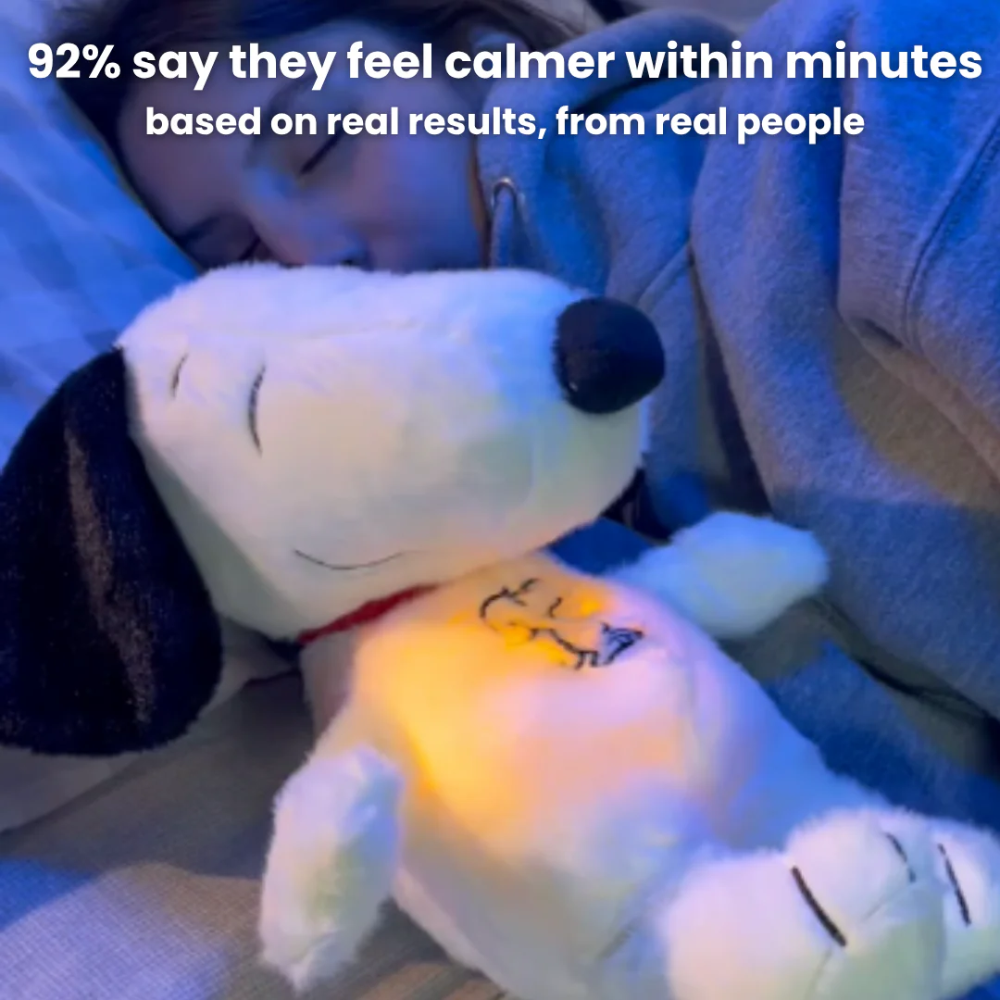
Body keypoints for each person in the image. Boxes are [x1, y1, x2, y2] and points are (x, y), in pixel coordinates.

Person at [54, 0, 1000, 964]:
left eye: (320, 144)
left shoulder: (851, 95)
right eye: (240, 254)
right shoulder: (452, 594)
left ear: (466, 53)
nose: (313, 255)